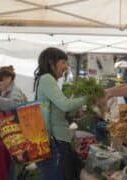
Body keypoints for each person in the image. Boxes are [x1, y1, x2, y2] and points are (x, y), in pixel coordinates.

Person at [34, 47, 87, 180]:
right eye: (63, 62)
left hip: (57, 140)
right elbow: (65, 105)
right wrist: (88, 97)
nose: (66, 66)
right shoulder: (46, 79)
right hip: (55, 141)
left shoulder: (47, 80)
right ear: (52, 63)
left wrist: (73, 113)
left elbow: (59, 110)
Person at [0, 65, 28, 180]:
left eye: (1, 80)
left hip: (16, 132)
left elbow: (14, 105)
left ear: (9, 78)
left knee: (10, 163)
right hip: (5, 131)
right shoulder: (0, 89)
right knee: (5, 161)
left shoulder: (16, 91)